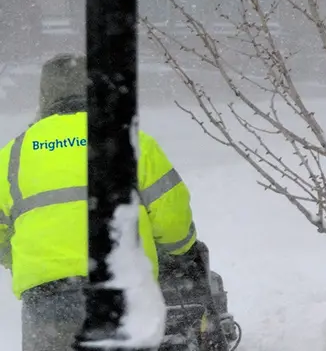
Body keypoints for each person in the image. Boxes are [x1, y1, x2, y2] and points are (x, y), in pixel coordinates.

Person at [0, 54, 199, 351]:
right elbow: (171, 217)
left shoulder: (12, 156)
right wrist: (181, 251)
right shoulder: (132, 142)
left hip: (45, 301)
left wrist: (20, 261)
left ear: (44, 97)